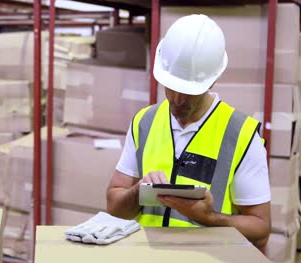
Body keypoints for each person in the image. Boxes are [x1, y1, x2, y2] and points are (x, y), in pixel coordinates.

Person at [106, 14, 271, 249]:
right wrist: (139, 192)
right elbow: (114, 207)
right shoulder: (144, 122)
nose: (176, 99)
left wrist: (210, 218)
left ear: (212, 81)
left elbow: (261, 228)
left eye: (189, 91)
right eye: (171, 86)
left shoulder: (241, 135)